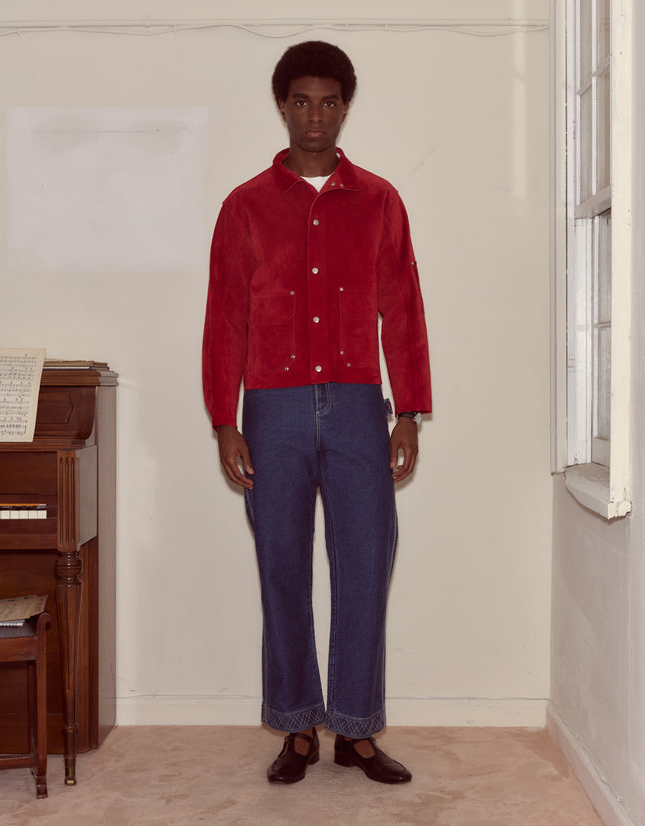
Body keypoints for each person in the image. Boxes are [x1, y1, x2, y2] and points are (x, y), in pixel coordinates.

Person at [202, 40, 432, 785]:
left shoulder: (380, 200)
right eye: (301, 100)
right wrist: (225, 418)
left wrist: (410, 412)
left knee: (366, 564)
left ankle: (357, 733)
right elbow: (224, 320)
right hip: (272, 409)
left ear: (345, 107)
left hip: (363, 406)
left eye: (329, 101)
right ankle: (298, 727)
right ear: (282, 105)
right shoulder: (244, 206)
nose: (315, 115)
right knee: (282, 569)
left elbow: (402, 309)